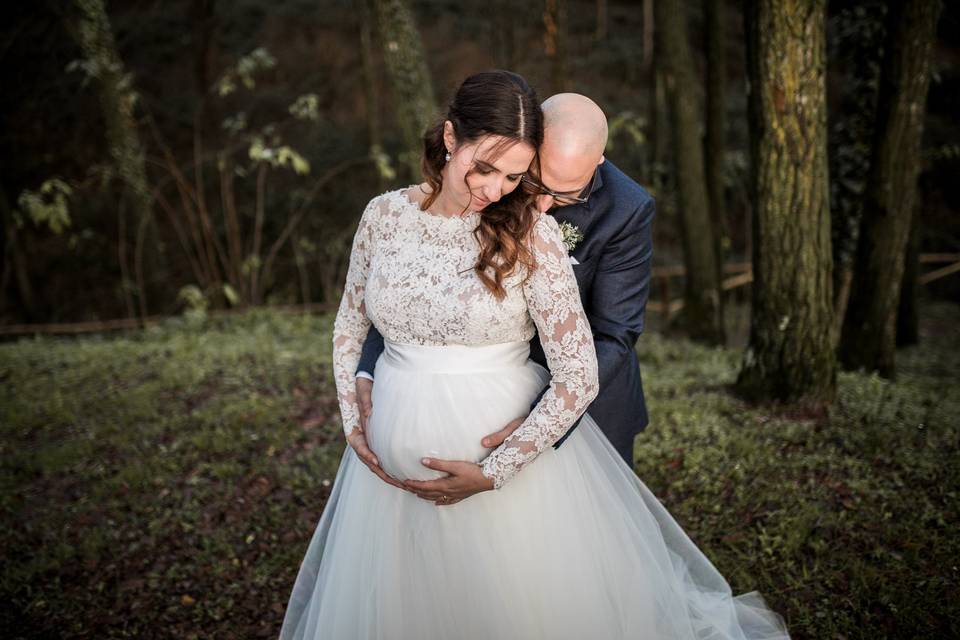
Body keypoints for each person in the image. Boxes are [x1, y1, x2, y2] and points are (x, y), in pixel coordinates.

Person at [279, 70, 789, 640]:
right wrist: (356, 409)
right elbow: (364, 315)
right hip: (388, 465)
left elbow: (602, 347)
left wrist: (506, 460)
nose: (516, 194)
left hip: (534, 434)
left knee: (551, 589)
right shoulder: (387, 213)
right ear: (453, 138)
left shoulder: (566, 224)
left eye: (520, 178)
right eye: (506, 173)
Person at [353, 92, 654, 505]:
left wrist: (538, 420)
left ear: (598, 162)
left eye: (565, 197)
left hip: (587, 406)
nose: (542, 205)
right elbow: (413, 276)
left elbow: (614, 332)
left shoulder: (627, 210)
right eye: (533, 182)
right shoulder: (488, 179)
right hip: (470, 394)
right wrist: (369, 366)